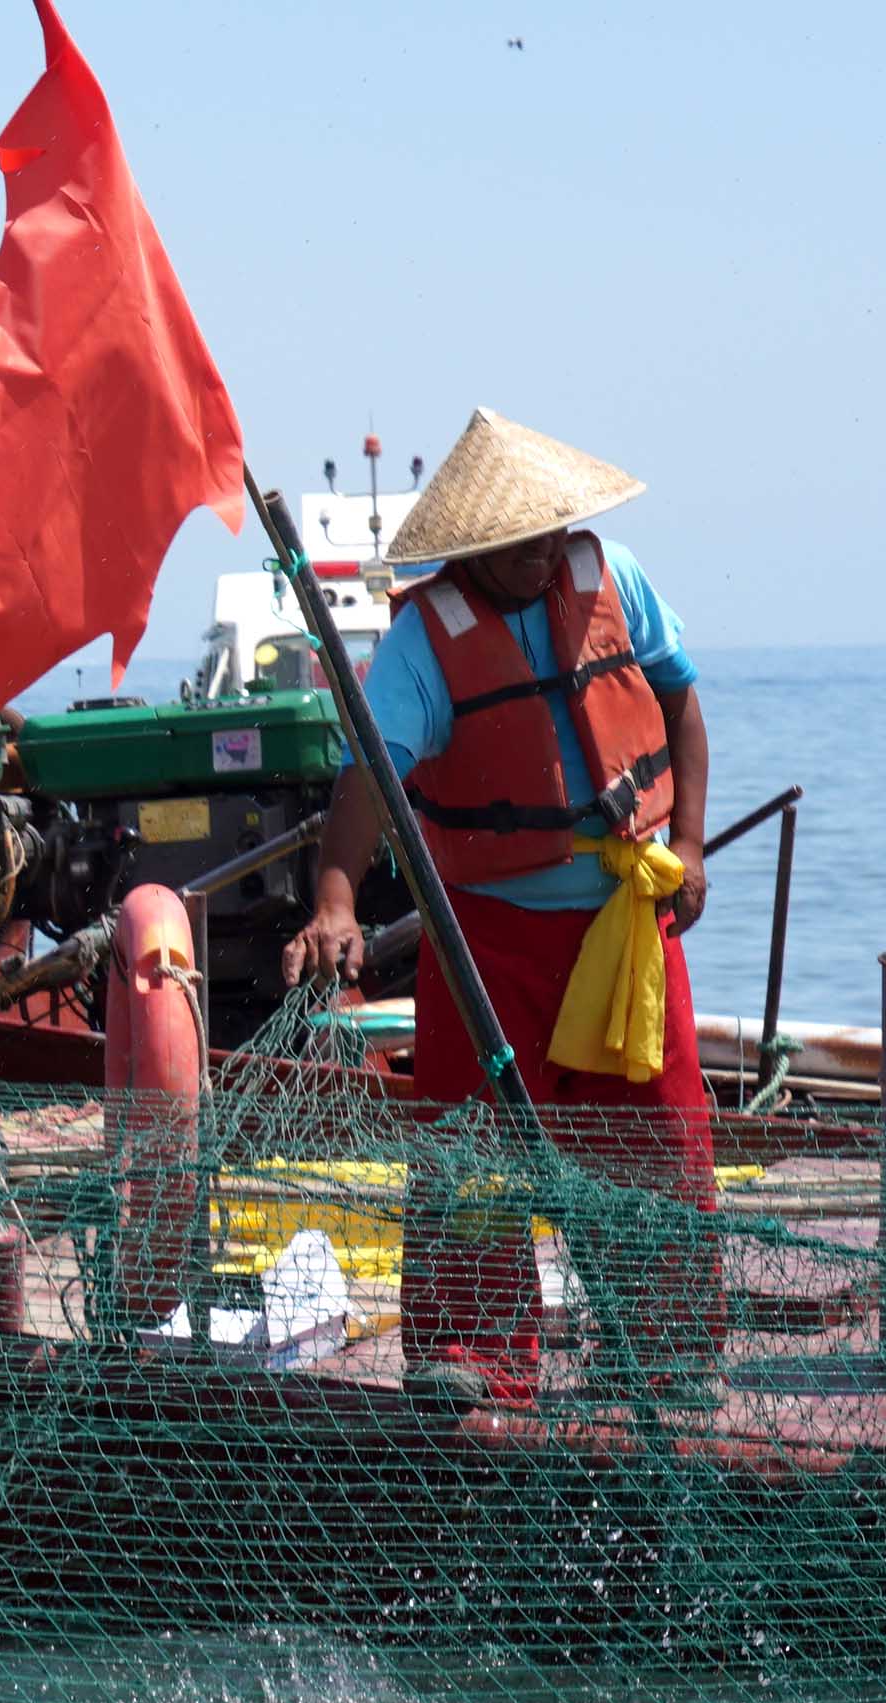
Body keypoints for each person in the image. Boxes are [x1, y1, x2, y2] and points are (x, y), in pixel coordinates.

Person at [290, 412, 715, 1403]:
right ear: (472, 541)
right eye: (513, 540)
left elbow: (681, 700)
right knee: (468, 1152)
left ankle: (666, 1357)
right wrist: (334, 897)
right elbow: (369, 775)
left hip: (625, 922)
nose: (536, 555)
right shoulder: (421, 642)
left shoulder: (613, 577)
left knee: (658, 1140)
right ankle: (476, 1358)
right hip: (484, 937)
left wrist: (688, 843)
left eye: (545, 532)